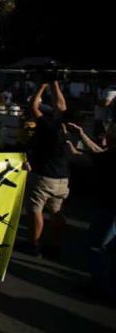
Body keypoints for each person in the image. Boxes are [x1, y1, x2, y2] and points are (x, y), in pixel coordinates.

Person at [65, 122, 116, 302]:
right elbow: (99, 154)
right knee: (108, 247)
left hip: (109, 208)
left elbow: (84, 158)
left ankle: (100, 287)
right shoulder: (109, 155)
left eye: (107, 134)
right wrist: (81, 135)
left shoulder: (110, 157)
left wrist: (70, 145)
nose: (103, 137)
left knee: (97, 246)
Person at [25, 81, 70, 258]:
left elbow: (33, 106)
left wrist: (42, 86)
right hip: (63, 177)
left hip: (44, 175)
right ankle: (54, 245)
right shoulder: (66, 128)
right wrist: (56, 84)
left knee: (36, 210)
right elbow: (62, 106)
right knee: (56, 212)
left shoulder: (48, 126)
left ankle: (34, 244)